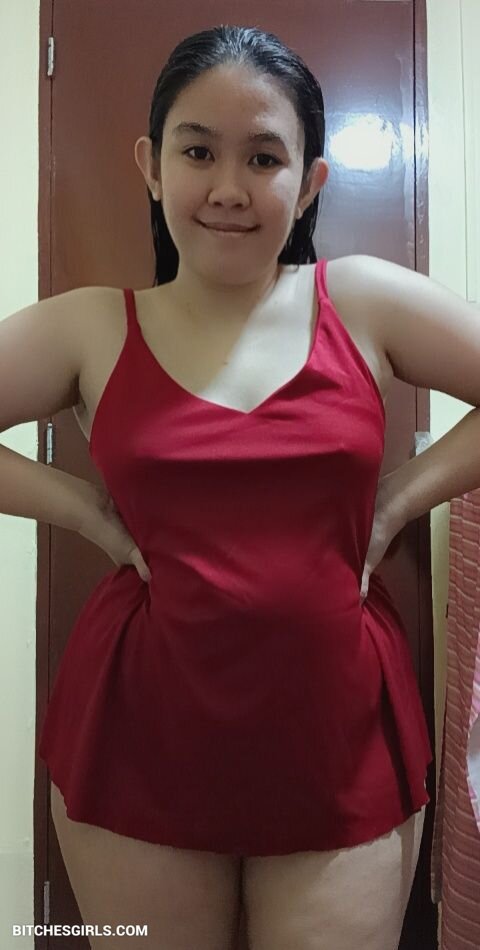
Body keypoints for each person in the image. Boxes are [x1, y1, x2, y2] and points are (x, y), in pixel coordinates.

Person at [2, 22, 480, 950]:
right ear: (150, 166)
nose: (228, 187)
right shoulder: (91, 327)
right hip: (138, 738)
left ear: (310, 182)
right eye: (198, 152)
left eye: (264, 157)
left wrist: (399, 499)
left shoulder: (366, 300)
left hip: (338, 738)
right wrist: (84, 511)